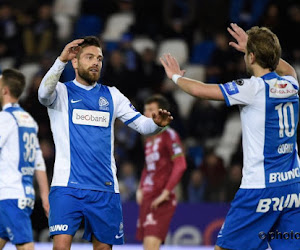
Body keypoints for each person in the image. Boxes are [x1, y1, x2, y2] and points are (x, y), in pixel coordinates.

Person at [160, 23, 300, 250]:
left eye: (247, 54)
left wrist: (175, 77)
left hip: (259, 189)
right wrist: (259, 50)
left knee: (224, 248)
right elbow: (288, 70)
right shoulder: (291, 83)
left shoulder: (253, 88)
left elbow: (200, 90)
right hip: (292, 187)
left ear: (252, 57)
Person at [38, 36, 173, 250]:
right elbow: (43, 94)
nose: (95, 62)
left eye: (99, 59)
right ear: (75, 61)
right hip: (67, 187)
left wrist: (157, 124)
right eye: (89, 57)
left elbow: (142, 125)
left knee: (103, 248)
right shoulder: (61, 92)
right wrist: (60, 60)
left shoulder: (112, 95)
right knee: (61, 246)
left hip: (105, 188)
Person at [0, 69, 49, 250]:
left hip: (10, 195)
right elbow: (39, 162)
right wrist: (45, 196)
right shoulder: (28, 119)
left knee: (26, 246)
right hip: (23, 194)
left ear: (5, 90)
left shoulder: (5, 119)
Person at [136, 94, 187, 250]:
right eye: (145, 110)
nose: (146, 113)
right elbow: (148, 166)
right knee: (150, 245)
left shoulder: (169, 135)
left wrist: (166, 192)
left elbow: (181, 164)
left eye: (151, 109)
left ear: (162, 112)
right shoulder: (148, 138)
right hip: (149, 197)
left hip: (161, 199)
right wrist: (140, 187)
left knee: (150, 245)